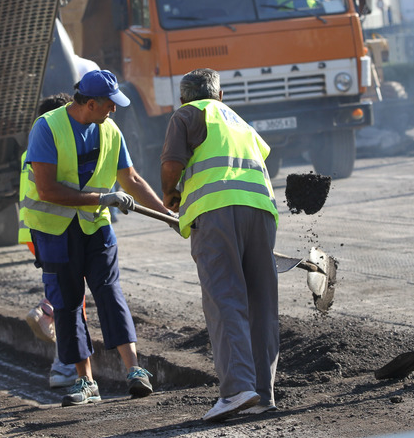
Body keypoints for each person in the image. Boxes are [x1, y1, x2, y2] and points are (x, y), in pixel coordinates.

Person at [21, 70, 170, 407]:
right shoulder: (47, 128)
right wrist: (103, 199)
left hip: (95, 227)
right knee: (68, 304)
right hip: (55, 232)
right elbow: (46, 189)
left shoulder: (110, 131)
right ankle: (85, 381)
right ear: (90, 104)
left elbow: (130, 179)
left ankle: (134, 371)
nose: (114, 110)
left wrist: (167, 215)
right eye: (109, 105)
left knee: (109, 291)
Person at [159, 68, 280, 422]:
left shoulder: (186, 114)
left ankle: (237, 388)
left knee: (225, 298)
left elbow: (171, 164)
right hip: (261, 212)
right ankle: (263, 393)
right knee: (261, 303)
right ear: (220, 96)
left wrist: (171, 193)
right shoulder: (240, 122)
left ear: (184, 98)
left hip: (216, 214)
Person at [21, 92, 79, 389]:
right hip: (54, 229)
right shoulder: (53, 146)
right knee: (69, 298)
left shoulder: (31, 149)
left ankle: (66, 363)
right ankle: (64, 366)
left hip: (34, 231)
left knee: (65, 291)